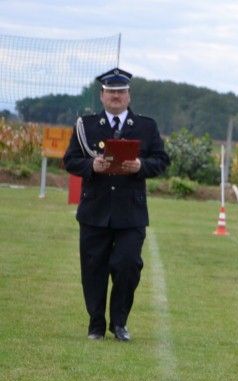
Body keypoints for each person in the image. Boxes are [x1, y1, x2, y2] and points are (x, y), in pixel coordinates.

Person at [63, 67, 170, 342]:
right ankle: (96, 324)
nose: (116, 96)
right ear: (102, 95)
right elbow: (70, 160)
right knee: (93, 269)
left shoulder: (146, 126)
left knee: (128, 265)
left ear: (129, 96)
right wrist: (91, 165)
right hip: (95, 210)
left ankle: (119, 323)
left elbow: (162, 160)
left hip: (130, 213)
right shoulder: (86, 126)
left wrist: (141, 165)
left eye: (121, 91)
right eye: (111, 92)